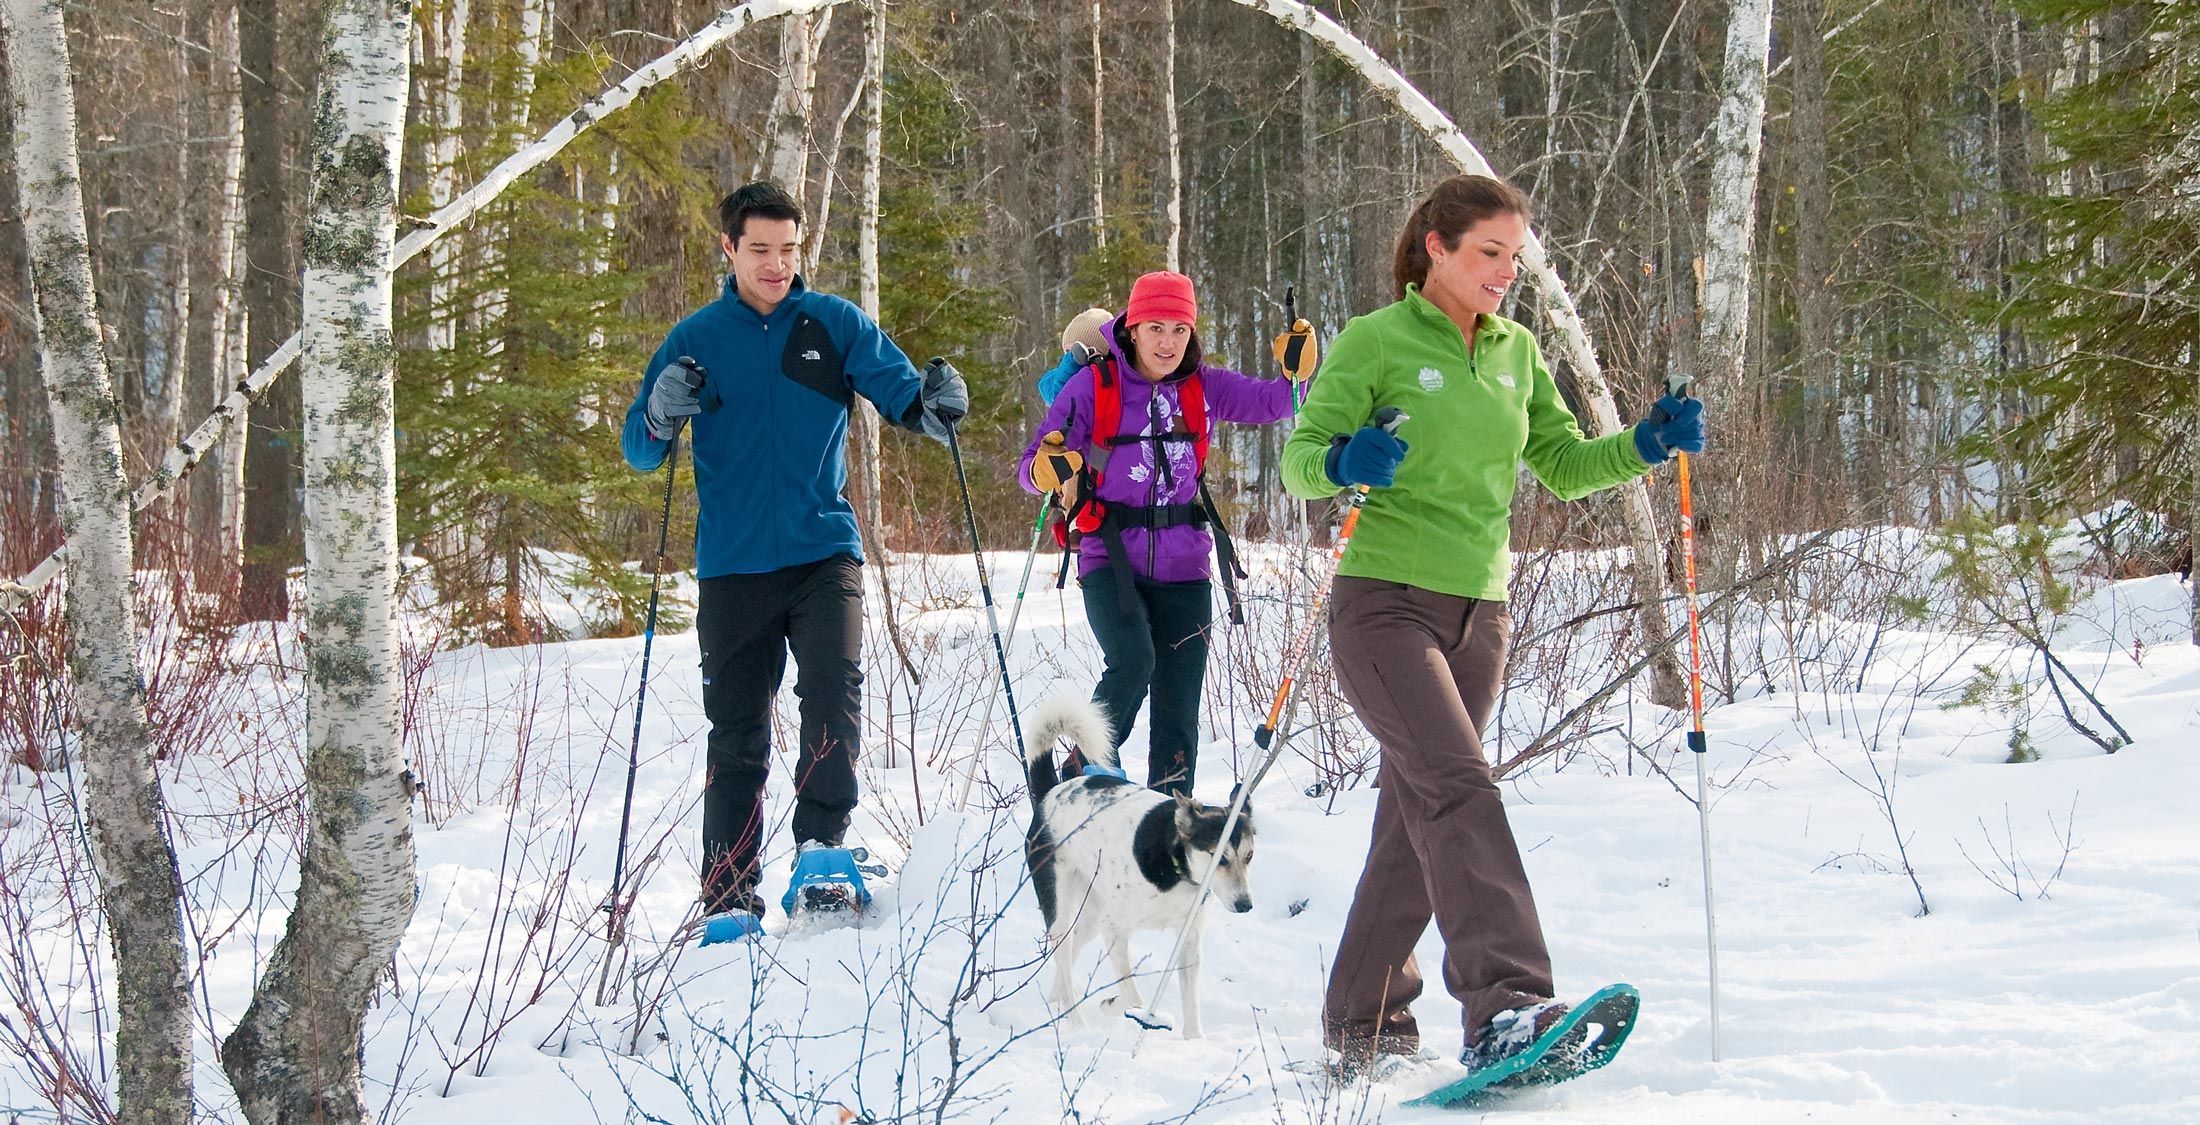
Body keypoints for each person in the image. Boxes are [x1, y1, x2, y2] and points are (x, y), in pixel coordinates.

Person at [1280, 174, 1705, 1069]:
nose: (1506, 272)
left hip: (1482, 614)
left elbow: (1560, 461)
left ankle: (1364, 1022)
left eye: (1515, 256)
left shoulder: (1515, 351)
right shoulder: (1377, 340)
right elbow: (1299, 464)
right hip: (1384, 604)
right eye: (1489, 253)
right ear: (1436, 246)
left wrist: (1645, 442)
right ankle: (1508, 1003)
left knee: (1416, 815)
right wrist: (1346, 458)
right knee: (1461, 789)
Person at [621, 181, 969, 936]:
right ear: (730, 249)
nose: (776, 265)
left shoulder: (834, 324)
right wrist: (657, 410)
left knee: (832, 694)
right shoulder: (695, 341)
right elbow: (640, 449)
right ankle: (728, 893)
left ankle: (821, 848)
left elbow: (906, 398)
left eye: (788, 249)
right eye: (760, 251)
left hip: (822, 551)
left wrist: (940, 403)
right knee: (737, 729)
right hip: (733, 564)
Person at [1018, 272, 1310, 796]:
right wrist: (1045, 468)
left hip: (1186, 563)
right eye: (1155, 327)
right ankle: (1083, 771)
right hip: (1110, 557)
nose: (1167, 342)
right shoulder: (1094, 387)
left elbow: (1277, 403)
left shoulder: (1203, 385)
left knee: (1179, 703)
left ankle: (1171, 814)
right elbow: (1033, 462)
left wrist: (1298, 374)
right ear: (1131, 328)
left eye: (1179, 329)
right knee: (1133, 660)